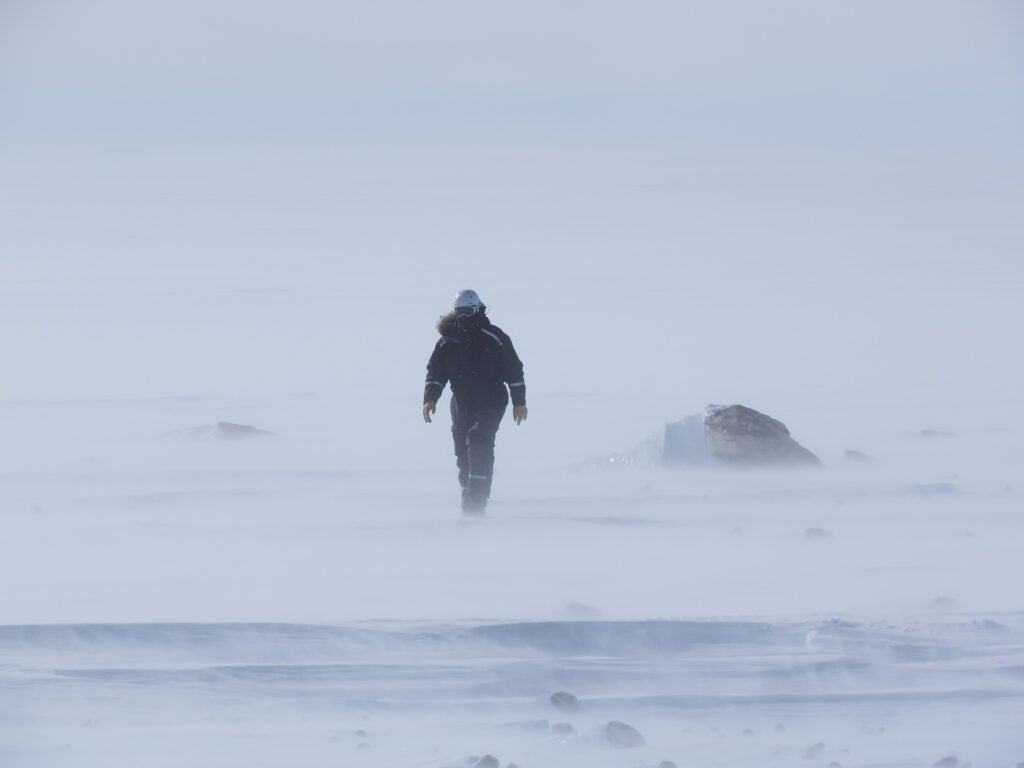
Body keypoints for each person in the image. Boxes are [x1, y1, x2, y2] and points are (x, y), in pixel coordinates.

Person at [422, 290, 527, 514]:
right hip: (461, 402)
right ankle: (468, 502)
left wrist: (520, 402)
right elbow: (436, 372)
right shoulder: (447, 342)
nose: (463, 317)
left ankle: (477, 502)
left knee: (479, 440)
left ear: (477, 310)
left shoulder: (494, 337)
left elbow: (514, 369)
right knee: (463, 453)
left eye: (468, 312)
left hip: (491, 400)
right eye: (459, 312)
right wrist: (430, 399)